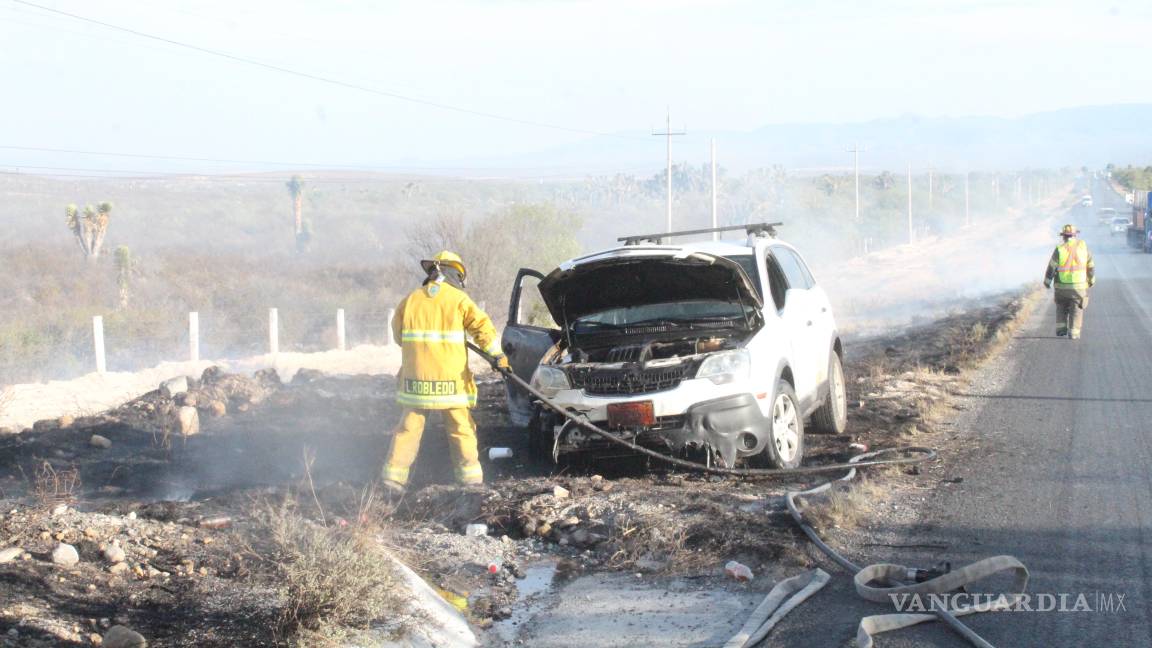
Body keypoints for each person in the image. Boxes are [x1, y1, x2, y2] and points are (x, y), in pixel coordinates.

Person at [381, 251, 509, 494]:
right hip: (451, 382)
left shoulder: (411, 299)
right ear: (456, 273)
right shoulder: (459, 300)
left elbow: (399, 336)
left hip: (416, 382)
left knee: (408, 428)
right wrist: (498, 356)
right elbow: (483, 330)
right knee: (461, 428)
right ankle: (471, 481)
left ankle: (393, 480)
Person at [1043, 224, 1095, 339]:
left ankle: (1061, 329)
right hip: (1079, 288)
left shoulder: (1059, 249)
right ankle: (1074, 333)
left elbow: (1051, 267)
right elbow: (1090, 266)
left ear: (1063, 237)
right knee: (1077, 308)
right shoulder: (1083, 247)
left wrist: (1047, 282)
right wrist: (1091, 280)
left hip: (1061, 288)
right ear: (1075, 235)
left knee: (1061, 306)